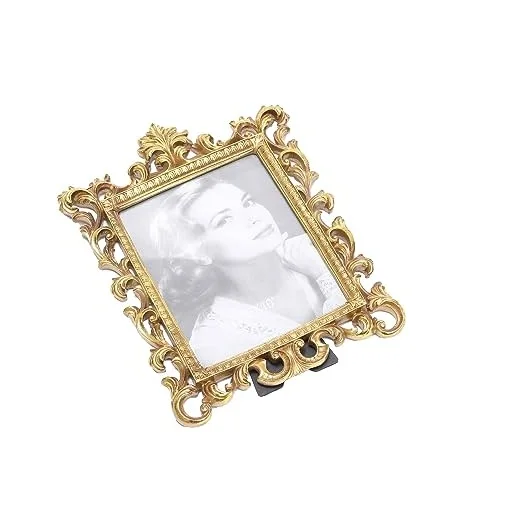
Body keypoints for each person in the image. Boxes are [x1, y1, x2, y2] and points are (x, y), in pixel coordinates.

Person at [149, 174, 346, 367]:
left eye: (248, 203)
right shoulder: (211, 345)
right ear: (198, 254)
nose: (253, 217)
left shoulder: (315, 248)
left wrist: (322, 271)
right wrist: (323, 273)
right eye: (224, 220)